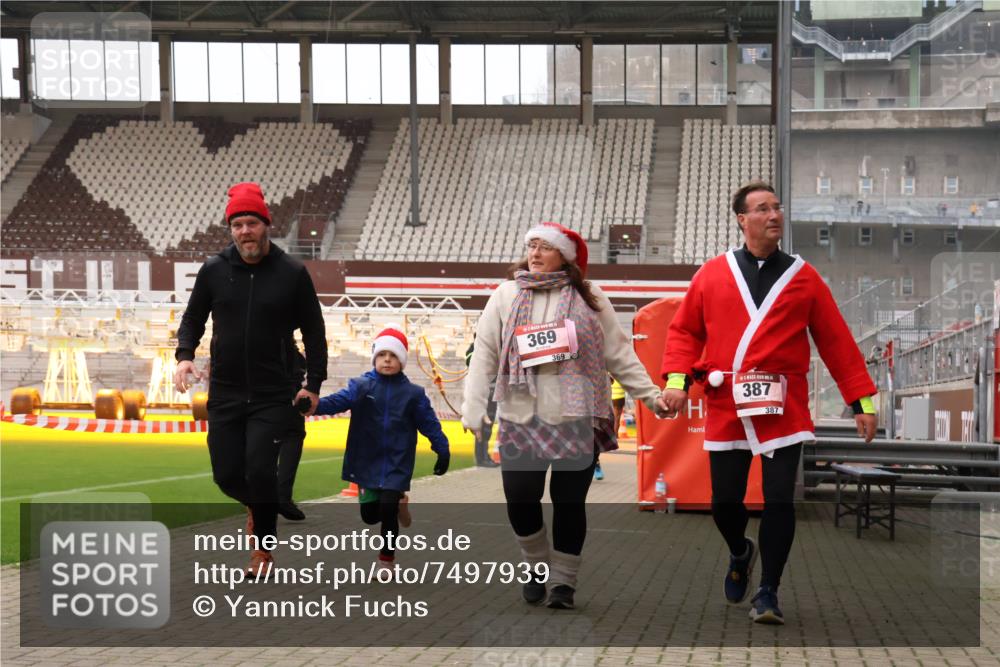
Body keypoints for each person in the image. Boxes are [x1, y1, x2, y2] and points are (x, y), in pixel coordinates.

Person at [659, 181, 877, 625]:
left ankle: (768, 591)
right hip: (727, 404)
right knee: (724, 504)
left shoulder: (804, 277)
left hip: (783, 406)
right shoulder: (713, 273)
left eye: (777, 207)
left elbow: (835, 340)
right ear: (742, 219)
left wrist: (862, 402)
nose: (774, 215)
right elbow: (684, 332)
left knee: (779, 500)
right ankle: (741, 551)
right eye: (762, 209)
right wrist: (678, 381)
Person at [463, 222, 670, 610]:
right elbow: (486, 352)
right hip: (522, 415)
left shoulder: (590, 296)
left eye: (545, 247)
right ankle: (536, 565)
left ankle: (563, 583)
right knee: (519, 499)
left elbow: (619, 353)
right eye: (531, 246)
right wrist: (474, 407)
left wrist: (651, 396)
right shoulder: (507, 294)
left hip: (577, 415)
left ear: (566, 256)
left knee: (569, 502)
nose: (536, 253)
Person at [174, 182, 327, 574]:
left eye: (252, 223)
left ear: (266, 225)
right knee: (226, 475)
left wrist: (313, 383)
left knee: (260, 470)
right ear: (231, 229)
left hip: (273, 392)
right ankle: (261, 507)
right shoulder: (214, 270)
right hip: (225, 390)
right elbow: (193, 318)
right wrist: (184, 357)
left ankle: (262, 550)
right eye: (238, 224)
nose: (245, 231)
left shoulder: (292, 272)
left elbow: (314, 331)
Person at [315, 325, 450, 569]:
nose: (387, 360)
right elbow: (337, 402)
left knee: (387, 507)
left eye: (393, 356)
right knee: (369, 516)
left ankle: (386, 561)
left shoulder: (413, 394)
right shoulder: (361, 386)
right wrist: (312, 405)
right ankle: (399, 504)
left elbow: (429, 423)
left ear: (402, 360)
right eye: (382, 355)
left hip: (397, 461)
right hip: (367, 459)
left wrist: (442, 448)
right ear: (374, 358)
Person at [277, 350, 308, 521]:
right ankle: (282, 497)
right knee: (293, 437)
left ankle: (260, 500)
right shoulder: (292, 356)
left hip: (254, 398)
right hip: (287, 398)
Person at [465, 335, 500, 468]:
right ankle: (481, 458)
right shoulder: (477, 347)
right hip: (483, 390)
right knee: (483, 425)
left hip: (491, 390)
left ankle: (484, 456)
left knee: (488, 426)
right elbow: (469, 360)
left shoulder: (492, 347)